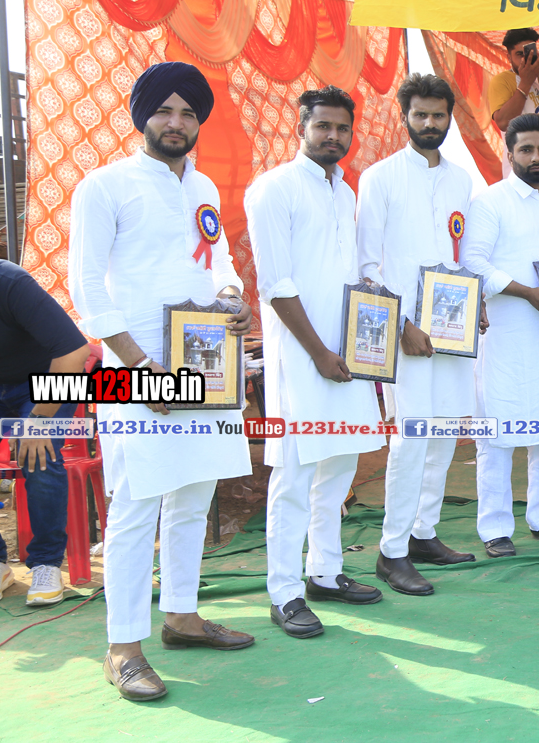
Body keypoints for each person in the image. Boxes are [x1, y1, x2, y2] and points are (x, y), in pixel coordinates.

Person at [69, 62, 255, 700]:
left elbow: (218, 258)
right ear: (141, 116)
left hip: (206, 366)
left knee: (194, 493)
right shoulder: (105, 185)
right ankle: (123, 646)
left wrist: (231, 295)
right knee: (135, 504)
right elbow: (86, 287)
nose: (176, 123)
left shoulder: (202, 186)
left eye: (188, 113)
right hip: (134, 374)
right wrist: (138, 365)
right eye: (165, 111)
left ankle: (181, 616)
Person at [246, 86, 385, 639]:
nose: (333, 135)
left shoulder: (345, 193)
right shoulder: (273, 188)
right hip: (303, 358)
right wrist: (319, 352)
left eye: (342, 128)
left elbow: (351, 274)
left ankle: (325, 571)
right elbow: (275, 284)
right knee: (295, 473)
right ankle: (284, 593)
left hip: (349, 354)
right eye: (323, 125)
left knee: (341, 464)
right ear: (301, 127)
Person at [356, 74, 480, 596]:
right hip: (405, 332)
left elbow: (461, 255)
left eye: (439, 115)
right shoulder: (380, 178)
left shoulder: (462, 181)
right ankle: (392, 552)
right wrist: (403, 322)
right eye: (421, 114)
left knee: (446, 429)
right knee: (411, 439)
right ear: (404, 116)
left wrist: (474, 305)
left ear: (450, 117)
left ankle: (424, 532)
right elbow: (367, 265)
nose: (430, 123)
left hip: (452, 328)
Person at [461, 114, 539, 557]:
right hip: (506, 333)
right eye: (526, 149)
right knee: (497, 432)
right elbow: (473, 263)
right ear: (510, 152)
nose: (536, 157)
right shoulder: (490, 201)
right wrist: (524, 292)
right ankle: (495, 527)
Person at [0, 260, 89, 607]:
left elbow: (74, 353)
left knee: (38, 454)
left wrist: (37, 423)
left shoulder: (9, 283)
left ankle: (47, 564)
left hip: (47, 379)